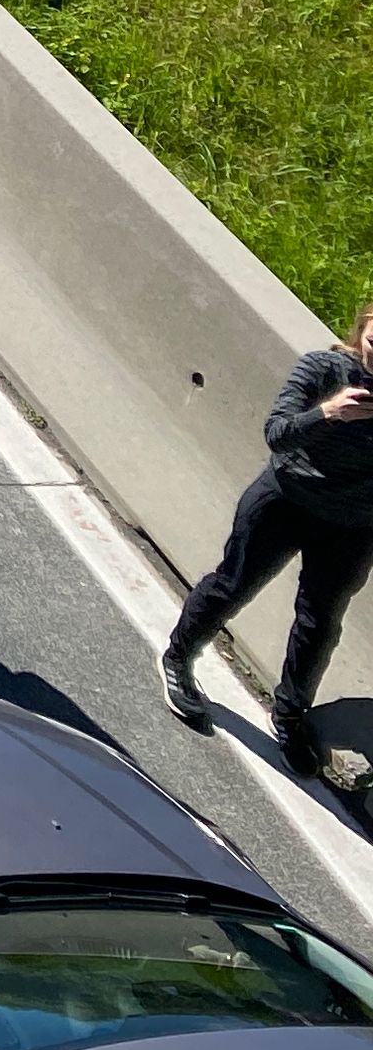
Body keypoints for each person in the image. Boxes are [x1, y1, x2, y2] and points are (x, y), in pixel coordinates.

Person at [162, 300, 373, 778]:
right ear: (362, 329)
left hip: (351, 527)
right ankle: (179, 655)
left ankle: (290, 714)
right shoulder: (322, 369)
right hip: (283, 501)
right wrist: (328, 414)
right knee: (234, 584)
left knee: (319, 624)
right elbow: (276, 434)